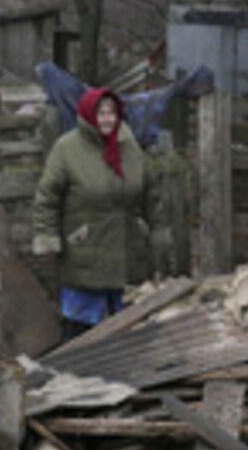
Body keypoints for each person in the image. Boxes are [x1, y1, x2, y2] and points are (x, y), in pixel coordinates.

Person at [32, 87, 157, 340]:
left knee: (129, 328)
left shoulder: (130, 147)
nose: (107, 119)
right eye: (101, 113)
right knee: (82, 330)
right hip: (86, 249)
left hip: (127, 252)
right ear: (88, 115)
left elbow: (152, 194)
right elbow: (46, 199)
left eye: (112, 113)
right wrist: (47, 239)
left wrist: (155, 232)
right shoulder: (67, 149)